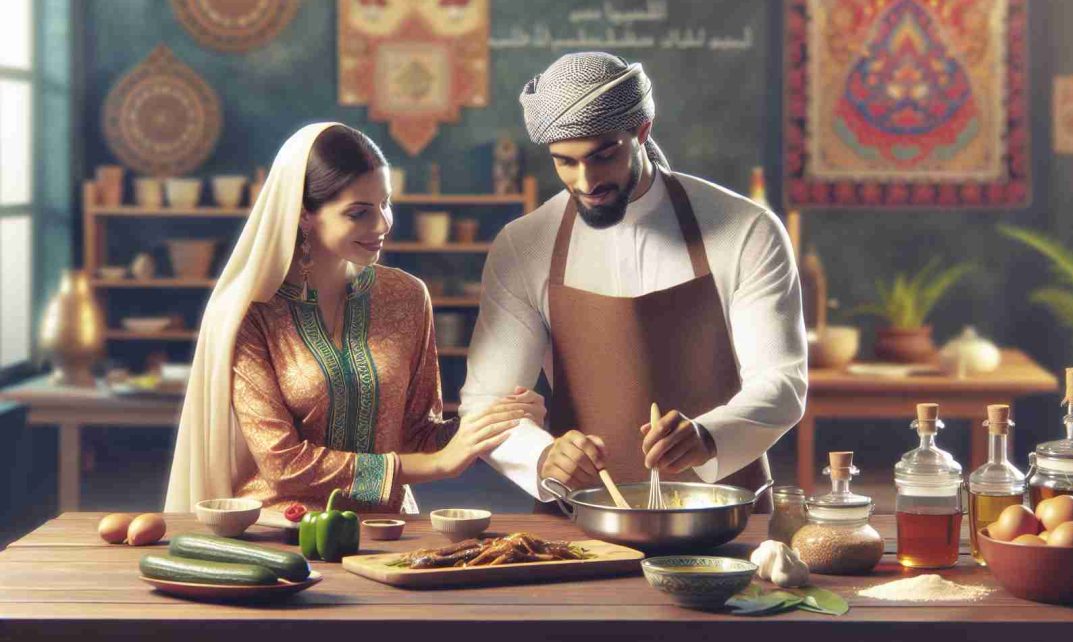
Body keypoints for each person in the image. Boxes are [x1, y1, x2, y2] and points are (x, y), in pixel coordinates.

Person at [460, 53, 808, 512]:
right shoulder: (525, 244)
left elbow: (781, 382)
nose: (586, 181)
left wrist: (708, 437)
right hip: (582, 524)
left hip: (725, 515)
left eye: (603, 156)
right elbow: (488, 403)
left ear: (641, 131)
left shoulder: (745, 229)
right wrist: (541, 455)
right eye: (564, 162)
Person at [165, 123, 544, 513]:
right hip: (282, 535)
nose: (382, 224)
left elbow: (417, 435)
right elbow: (282, 463)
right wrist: (436, 466)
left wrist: (497, 423)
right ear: (303, 214)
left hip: (388, 532)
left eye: (386, 203)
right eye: (359, 212)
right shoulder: (252, 312)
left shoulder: (407, 297)